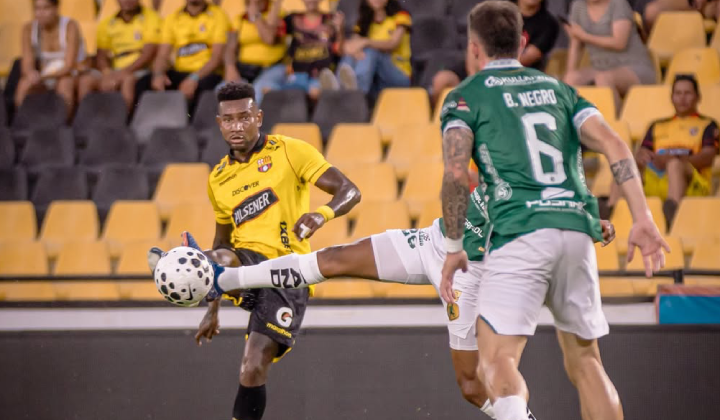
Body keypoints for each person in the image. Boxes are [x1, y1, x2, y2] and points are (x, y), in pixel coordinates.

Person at [177, 181, 616, 420]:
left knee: (471, 385)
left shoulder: (538, 180)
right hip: (432, 241)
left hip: (469, 272)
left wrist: (589, 223)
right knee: (331, 259)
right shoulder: (496, 136)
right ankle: (221, 278)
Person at [438, 2, 669, 420]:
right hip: (576, 231)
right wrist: (643, 218)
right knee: (586, 362)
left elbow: (456, 174)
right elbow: (616, 144)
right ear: (522, 41)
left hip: (519, 231)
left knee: (497, 361)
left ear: (474, 47)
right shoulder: (561, 90)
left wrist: (454, 246)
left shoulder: (466, 97)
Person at [150, 81, 360, 420]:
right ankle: (183, 269)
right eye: (229, 119)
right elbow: (223, 244)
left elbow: (350, 191)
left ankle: (180, 266)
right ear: (219, 124)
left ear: (258, 118)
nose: (237, 126)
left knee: (252, 367)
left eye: (244, 117)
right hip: (245, 264)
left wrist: (320, 215)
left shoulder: (290, 151)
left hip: (289, 273)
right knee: (216, 257)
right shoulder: (218, 178)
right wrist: (213, 307)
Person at [607, 74, 719, 227]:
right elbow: (643, 153)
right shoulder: (657, 126)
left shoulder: (707, 124)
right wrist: (641, 157)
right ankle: (610, 212)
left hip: (694, 184)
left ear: (698, 97)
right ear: (672, 97)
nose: (682, 98)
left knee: (674, 165)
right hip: (657, 179)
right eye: (678, 93)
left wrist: (675, 160)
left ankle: (672, 217)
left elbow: (708, 157)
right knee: (626, 164)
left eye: (687, 93)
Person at [429, 0, 557, 106]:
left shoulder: (548, 24)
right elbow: (474, 44)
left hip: (513, 77)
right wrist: (475, 78)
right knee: (442, 80)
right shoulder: (497, 11)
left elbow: (524, 58)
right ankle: (438, 121)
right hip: (477, 70)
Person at [564, 0, 656, 110]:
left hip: (633, 66)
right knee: (571, 80)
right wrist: (570, 72)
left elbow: (619, 43)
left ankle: (615, 119)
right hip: (600, 68)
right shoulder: (578, 6)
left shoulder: (618, 4)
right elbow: (576, 43)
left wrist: (585, 36)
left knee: (603, 79)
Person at [77, 0, 161, 110]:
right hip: (114, 70)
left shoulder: (152, 18)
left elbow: (148, 54)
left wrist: (123, 72)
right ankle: (85, 117)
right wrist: (107, 73)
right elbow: (101, 55)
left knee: (128, 80)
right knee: (86, 81)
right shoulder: (107, 23)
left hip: (139, 70)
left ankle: (123, 117)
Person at [146, 0, 229, 108]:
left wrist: (193, 78)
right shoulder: (172, 18)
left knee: (198, 89)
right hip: (180, 71)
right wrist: (158, 74)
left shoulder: (218, 15)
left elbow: (216, 58)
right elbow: (162, 55)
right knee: (146, 83)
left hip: (206, 73)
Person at [321, 0, 412, 94]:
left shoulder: (401, 16)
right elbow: (348, 48)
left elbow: (393, 43)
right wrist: (340, 31)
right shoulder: (363, 21)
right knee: (352, 54)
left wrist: (366, 42)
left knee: (371, 51)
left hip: (398, 75)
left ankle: (358, 91)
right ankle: (339, 87)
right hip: (375, 80)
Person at [15, 0, 86, 117]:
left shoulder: (70, 26)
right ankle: (22, 121)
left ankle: (63, 122)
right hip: (46, 75)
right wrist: (31, 74)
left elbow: (69, 66)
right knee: (24, 83)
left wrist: (43, 77)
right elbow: (27, 64)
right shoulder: (28, 29)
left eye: (46, 8)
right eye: (37, 9)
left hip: (71, 73)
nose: (40, 13)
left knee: (65, 83)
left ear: (56, 8)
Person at [275, 0, 345, 100]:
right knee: (276, 94)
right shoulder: (293, 19)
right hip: (297, 75)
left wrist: (340, 30)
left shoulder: (331, 19)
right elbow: (271, 37)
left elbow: (340, 51)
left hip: (322, 75)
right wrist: (276, 5)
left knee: (315, 92)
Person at [223, 0, 289, 105]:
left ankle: (254, 116)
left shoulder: (276, 13)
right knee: (225, 90)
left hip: (271, 67)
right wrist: (230, 68)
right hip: (245, 69)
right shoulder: (239, 19)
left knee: (257, 92)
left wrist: (256, 16)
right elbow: (230, 47)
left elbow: (269, 39)